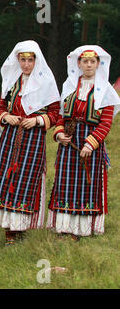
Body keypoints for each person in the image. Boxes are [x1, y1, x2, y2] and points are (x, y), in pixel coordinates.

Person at [0, 40, 61, 246]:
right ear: (17, 60)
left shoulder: (46, 82)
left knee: (26, 179)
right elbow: (1, 107)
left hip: (33, 138)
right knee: (6, 177)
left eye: (30, 60)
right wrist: (5, 117)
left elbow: (55, 114)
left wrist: (37, 120)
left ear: (36, 61)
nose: (26, 64)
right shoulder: (11, 81)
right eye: (23, 60)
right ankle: (9, 230)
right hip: (10, 137)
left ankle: (22, 227)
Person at [47, 46, 120, 240]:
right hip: (68, 142)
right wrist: (59, 133)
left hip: (90, 143)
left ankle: (81, 229)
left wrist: (91, 143)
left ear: (98, 64)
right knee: (65, 182)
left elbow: (105, 122)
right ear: (78, 64)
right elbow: (62, 116)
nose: (88, 65)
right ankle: (63, 227)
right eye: (85, 61)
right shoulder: (70, 85)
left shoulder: (105, 90)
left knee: (86, 184)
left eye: (92, 62)